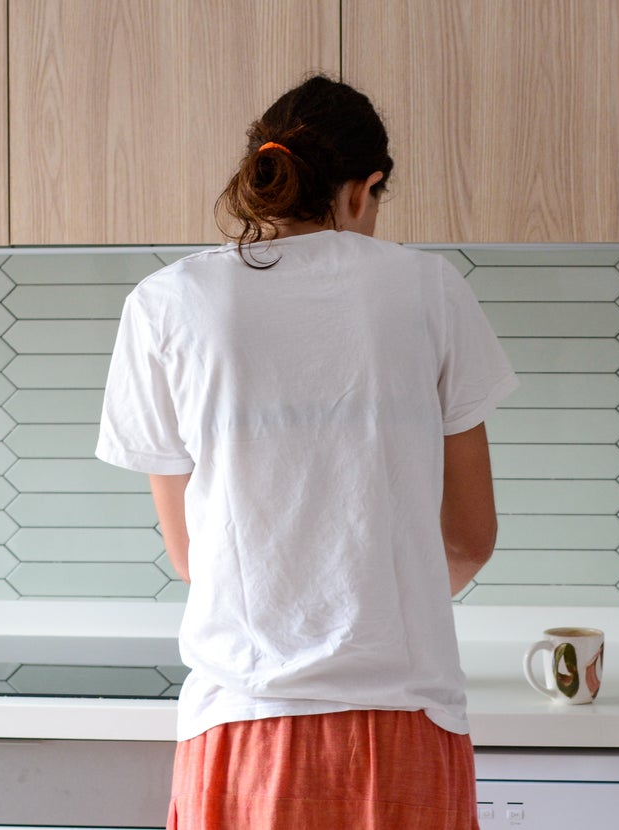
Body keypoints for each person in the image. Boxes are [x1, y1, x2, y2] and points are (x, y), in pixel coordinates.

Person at [96, 74, 518, 830]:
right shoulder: (430, 290)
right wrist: (375, 600)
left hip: (240, 725)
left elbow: (191, 557)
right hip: (404, 723)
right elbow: (468, 537)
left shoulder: (165, 302)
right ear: (365, 190)